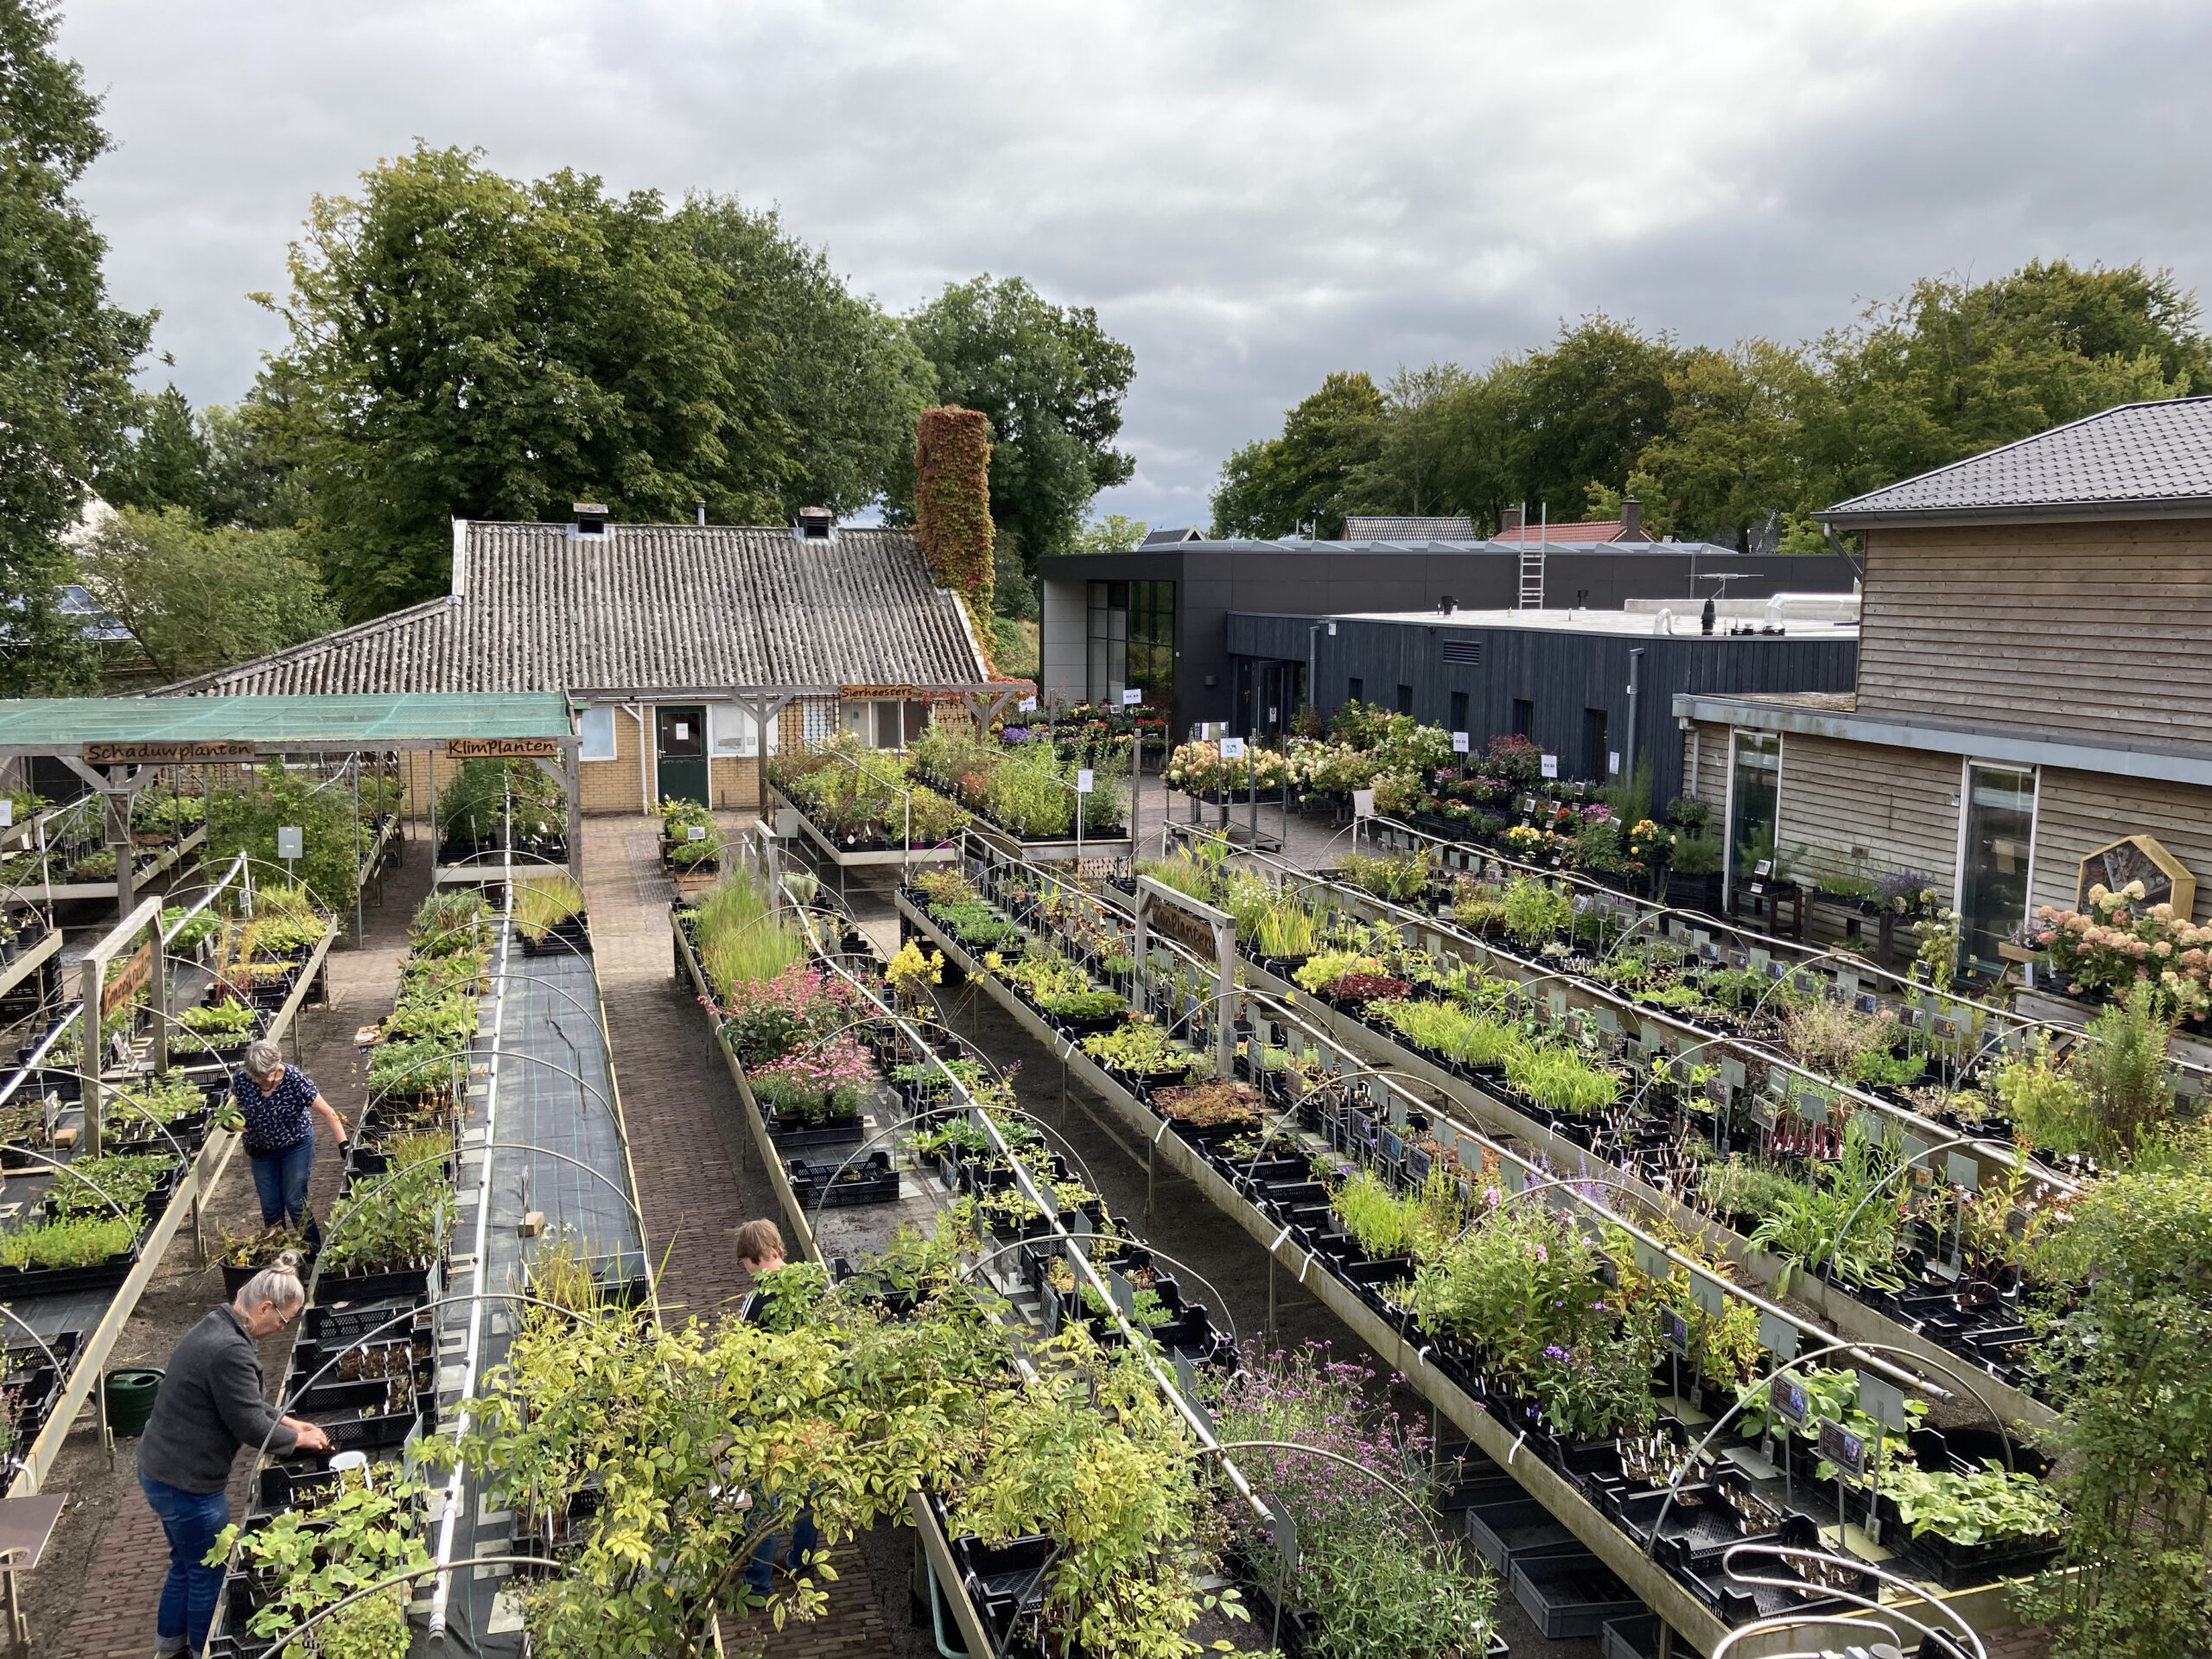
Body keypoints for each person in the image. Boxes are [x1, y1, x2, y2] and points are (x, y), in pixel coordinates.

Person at [138, 1258, 331, 1656]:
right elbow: (250, 1425)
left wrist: (293, 1424)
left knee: (185, 1564)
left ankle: (168, 1646)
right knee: (210, 1572)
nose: (283, 1329)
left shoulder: (218, 1325)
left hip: (161, 1469)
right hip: (187, 1483)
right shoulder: (228, 1350)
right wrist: (302, 1443)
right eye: (283, 1320)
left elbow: (248, 1404)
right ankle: (199, 1650)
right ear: (264, 1308)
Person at [732, 1219, 817, 1598]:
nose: (746, 1271)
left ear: (753, 1257)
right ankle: (802, 1561)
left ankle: (757, 1583)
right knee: (807, 1486)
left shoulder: (758, 1297)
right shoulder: (809, 1285)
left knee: (766, 1492)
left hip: (769, 1408)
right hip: (810, 1401)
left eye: (745, 1263)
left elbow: (743, 1355)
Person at [232, 1039, 348, 1247]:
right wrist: (230, 1125)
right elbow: (236, 1115)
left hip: (296, 1145)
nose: (259, 1080)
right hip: (261, 1149)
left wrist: (344, 1144)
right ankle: (279, 1252)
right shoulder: (242, 1080)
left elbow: (329, 1113)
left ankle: (313, 1251)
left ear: (276, 1065)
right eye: (255, 1076)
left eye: (263, 1075)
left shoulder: (295, 1080)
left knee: (295, 1201)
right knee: (270, 1206)